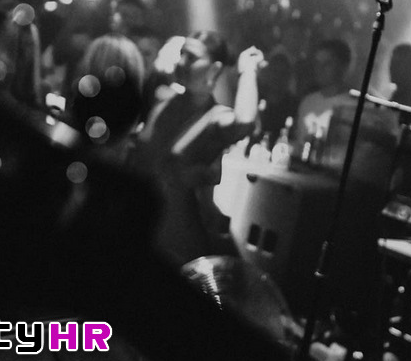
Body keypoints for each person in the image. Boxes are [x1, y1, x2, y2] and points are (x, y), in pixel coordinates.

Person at [130, 30, 263, 266]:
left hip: (176, 246)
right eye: (182, 54)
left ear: (214, 69)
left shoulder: (215, 118)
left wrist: (248, 70)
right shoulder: (163, 99)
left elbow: (244, 122)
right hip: (139, 230)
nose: (181, 62)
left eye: (191, 57)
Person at [295, 38, 353, 142]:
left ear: (343, 66)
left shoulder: (353, 107)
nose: (320, 69)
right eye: (317, 63)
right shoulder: (308, 102)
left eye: (327, 64)